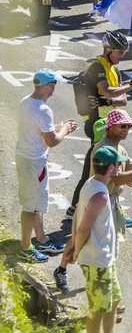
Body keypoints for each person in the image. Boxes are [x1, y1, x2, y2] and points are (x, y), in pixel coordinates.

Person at [54, 109, 132, 291]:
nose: (126, 129)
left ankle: (101, 280)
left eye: (128, 126)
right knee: (78, 237)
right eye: (122, 126)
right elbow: (119, 178)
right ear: (110, 127)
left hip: (110, 201)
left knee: (105, 242)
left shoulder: (120, 148)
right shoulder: (103, 148)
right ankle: (62, 269)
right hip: (96, 200)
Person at [65, 31, 132, 222]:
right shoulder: (97, 67)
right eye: (119, 52)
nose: (122, 55)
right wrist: (128, 87)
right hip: (97, 123)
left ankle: (77, 207)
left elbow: (122, 100)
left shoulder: (114, 70)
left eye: (123, 52)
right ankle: (88, 208)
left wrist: (107, 99)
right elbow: (109, 92)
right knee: (104, 168)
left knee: (96, 168)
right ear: (107, 50)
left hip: (110, 123)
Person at [16, 69, 78, 263]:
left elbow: (38, 130)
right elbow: (51, 141)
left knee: (36, 204)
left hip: (25, 157)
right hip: (35, 162)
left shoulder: (26, 101)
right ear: (49, 85)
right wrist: (65, 130)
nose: (54, 89)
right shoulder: (44, 109)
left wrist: (58, 127)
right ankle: (26, 248)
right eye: (54, 85)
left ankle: (41, 239)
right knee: (31, 206)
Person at [72, 146, 125, 333]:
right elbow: (83, 229)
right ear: (110, 168)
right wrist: (76, 251)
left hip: (105, 259)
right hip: (97, 261)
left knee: (113, 300)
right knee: (97, 309)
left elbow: (77, 213)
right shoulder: (100, 196)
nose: (120, 167)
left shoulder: (91, 183)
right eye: (118, 164)